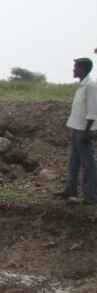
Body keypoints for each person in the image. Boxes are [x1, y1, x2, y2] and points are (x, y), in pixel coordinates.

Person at [55, 57, 97, 203]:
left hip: (84, 130)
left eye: (76, 67)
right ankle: (69, 190)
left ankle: (90, 195)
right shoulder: (82, 86)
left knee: (88, 163)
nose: (73, 70)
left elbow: (92, 111)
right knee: (73, 161)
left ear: (83, 69)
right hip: (77, 128)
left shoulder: (91, 86)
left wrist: (87, 132)